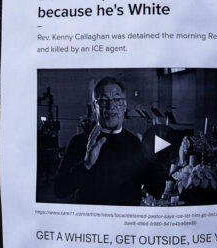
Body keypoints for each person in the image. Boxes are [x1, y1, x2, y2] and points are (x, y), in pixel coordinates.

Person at [54, 77, 164, 205]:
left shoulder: (135, 143)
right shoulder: (79, 142)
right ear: (95, 107)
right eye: (104, 100)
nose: (111, 106)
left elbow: (157, 190)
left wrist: (153, 158)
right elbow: (59, 190)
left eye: (117, 99)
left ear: (125, 105)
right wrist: (86, 164)